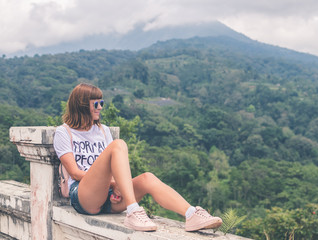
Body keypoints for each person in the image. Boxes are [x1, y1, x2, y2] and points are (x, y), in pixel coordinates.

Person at [53, 83, 222, 232]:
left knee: (147, 178)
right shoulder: (65, 132)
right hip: (84, 196)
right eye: (96, 104)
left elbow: (113, 168)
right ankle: (133, 210)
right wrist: (113, 183)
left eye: (102, 103)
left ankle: (191, 214)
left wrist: (116, 188)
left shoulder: (103, 130)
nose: (100, 107)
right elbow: (74, 173)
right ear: (82, 105)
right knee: (118, 145)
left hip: (109, 196)